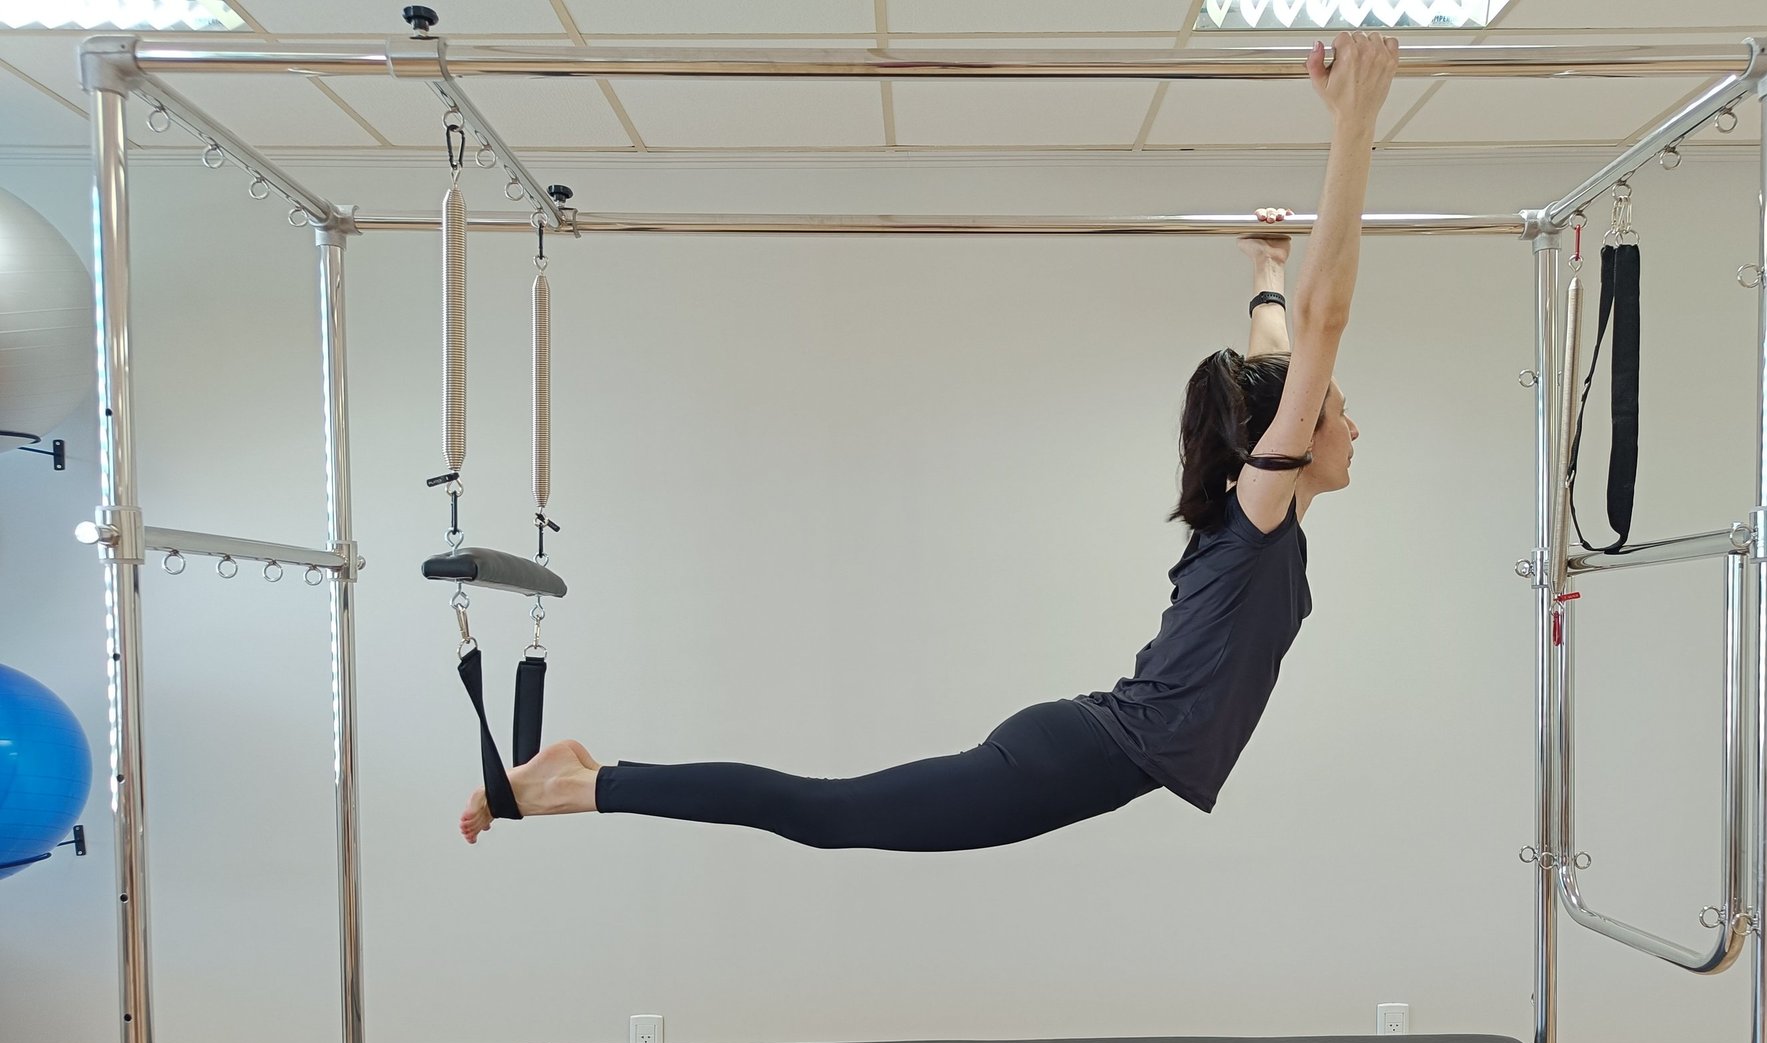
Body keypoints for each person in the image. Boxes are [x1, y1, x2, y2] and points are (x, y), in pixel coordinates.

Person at [460, 31, 1397, 850]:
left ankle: (586, 778)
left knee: (830, 815)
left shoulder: (1263, 501)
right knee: (827, 815)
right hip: (1074, 757)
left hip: (1082, 750)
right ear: (1287, 436)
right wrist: (1352, 123)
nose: (1353, 423)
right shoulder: (1258, 510)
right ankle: (581, 783)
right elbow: (1320, 331)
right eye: (1338, 408)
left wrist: (1267, 271)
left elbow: (1285, 358)